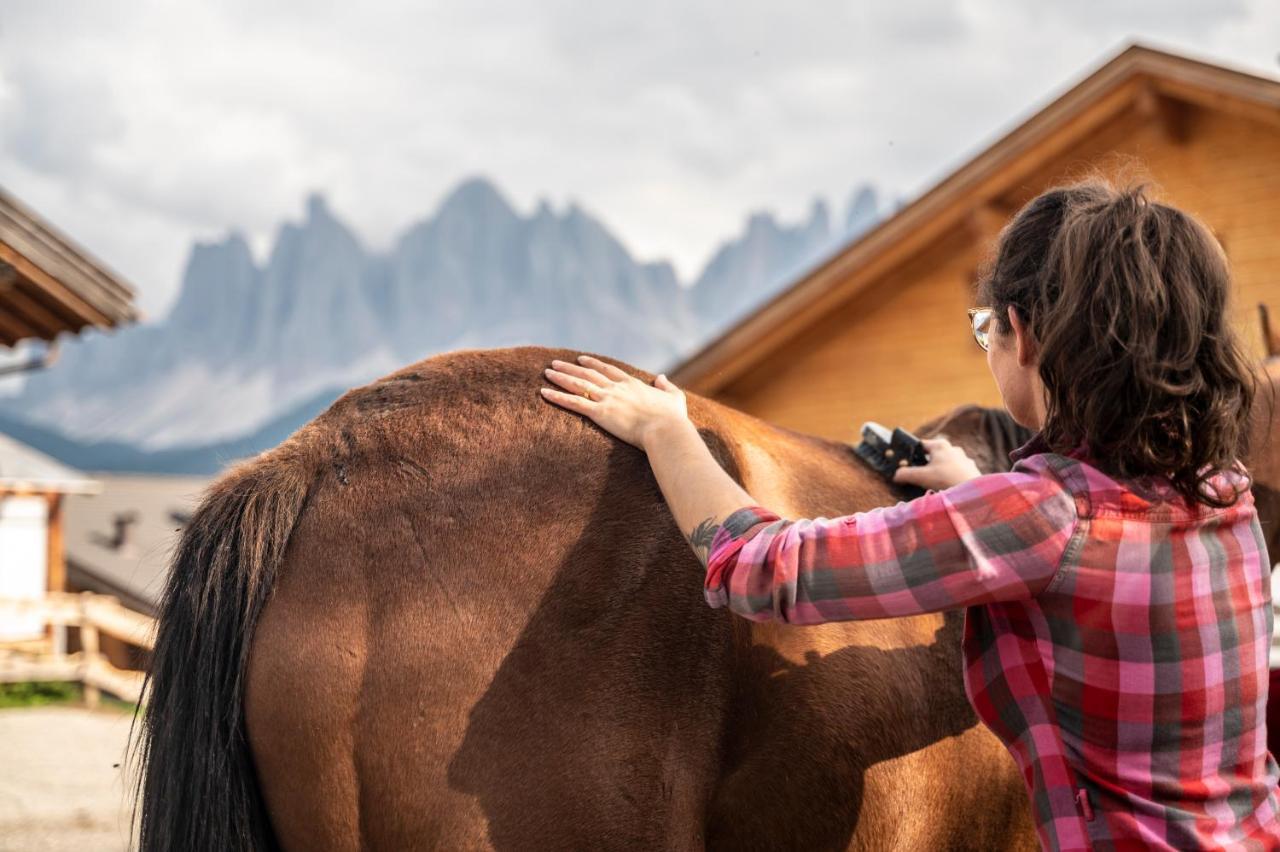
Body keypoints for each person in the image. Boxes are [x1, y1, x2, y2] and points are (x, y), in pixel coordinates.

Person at [539, 181, 1280, 851]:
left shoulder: (1039, 519)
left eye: (985, 328)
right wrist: (982, 489)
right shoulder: (1227, 496)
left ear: (1024, 334)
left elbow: (764, 569)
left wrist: (668, 430)